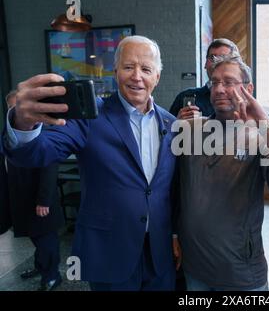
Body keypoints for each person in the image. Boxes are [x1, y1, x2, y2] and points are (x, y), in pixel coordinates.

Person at [3, 36, 180, 291]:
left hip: (158, 253)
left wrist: (174, 234)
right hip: (110, 252)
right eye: (129, 67)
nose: (137, 76)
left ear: (157, 77)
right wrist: (23, 124)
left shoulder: (171, 124)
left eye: (146, 69)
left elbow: (171, 189)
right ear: (115, 71)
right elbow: (35, 153)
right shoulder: (89, 117)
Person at [175, 55, 269, 291]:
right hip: (194, 267)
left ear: (248, 89)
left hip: (240, 273)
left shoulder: (260, 134)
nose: (219, 89)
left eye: (228, 82)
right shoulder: (191, 129)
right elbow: (174, 188)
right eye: (214, 82)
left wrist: (263, 121)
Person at [3, 91, 64, 291]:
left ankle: (53, 276)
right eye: (13, 109)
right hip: (22, 197)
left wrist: (44, 201)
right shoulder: (12, 132)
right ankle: (41, 267)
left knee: (46, 238)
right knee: (36, 238)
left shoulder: (44, 132)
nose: (19, 114)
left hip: (40, 199)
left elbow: (49, 168)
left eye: (21, 108)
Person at [169, 38, 240, 120]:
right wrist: (176, 123)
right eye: (212, 57)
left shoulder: (243, 100)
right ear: (205, 63)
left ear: (236, 65)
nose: (216, 62)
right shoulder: (185, 96)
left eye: (222, 57)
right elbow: (165, 131)